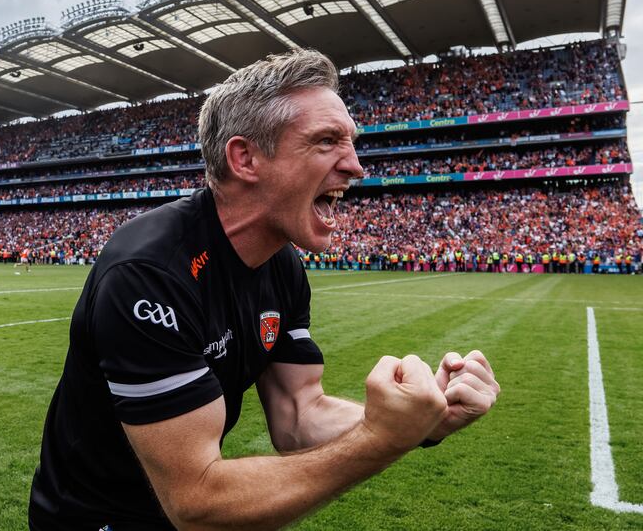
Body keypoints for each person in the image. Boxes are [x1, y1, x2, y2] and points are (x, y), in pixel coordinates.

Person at [28, 50, 500, 531]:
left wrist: (426, 419)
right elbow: (197, 501)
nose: (356, 165)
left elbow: (300, 416)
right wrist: (380, 439)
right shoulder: (149, 273)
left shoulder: (283, 265)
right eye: (326, 141)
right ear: (245, 158)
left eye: (351, 143)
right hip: (95, 521)